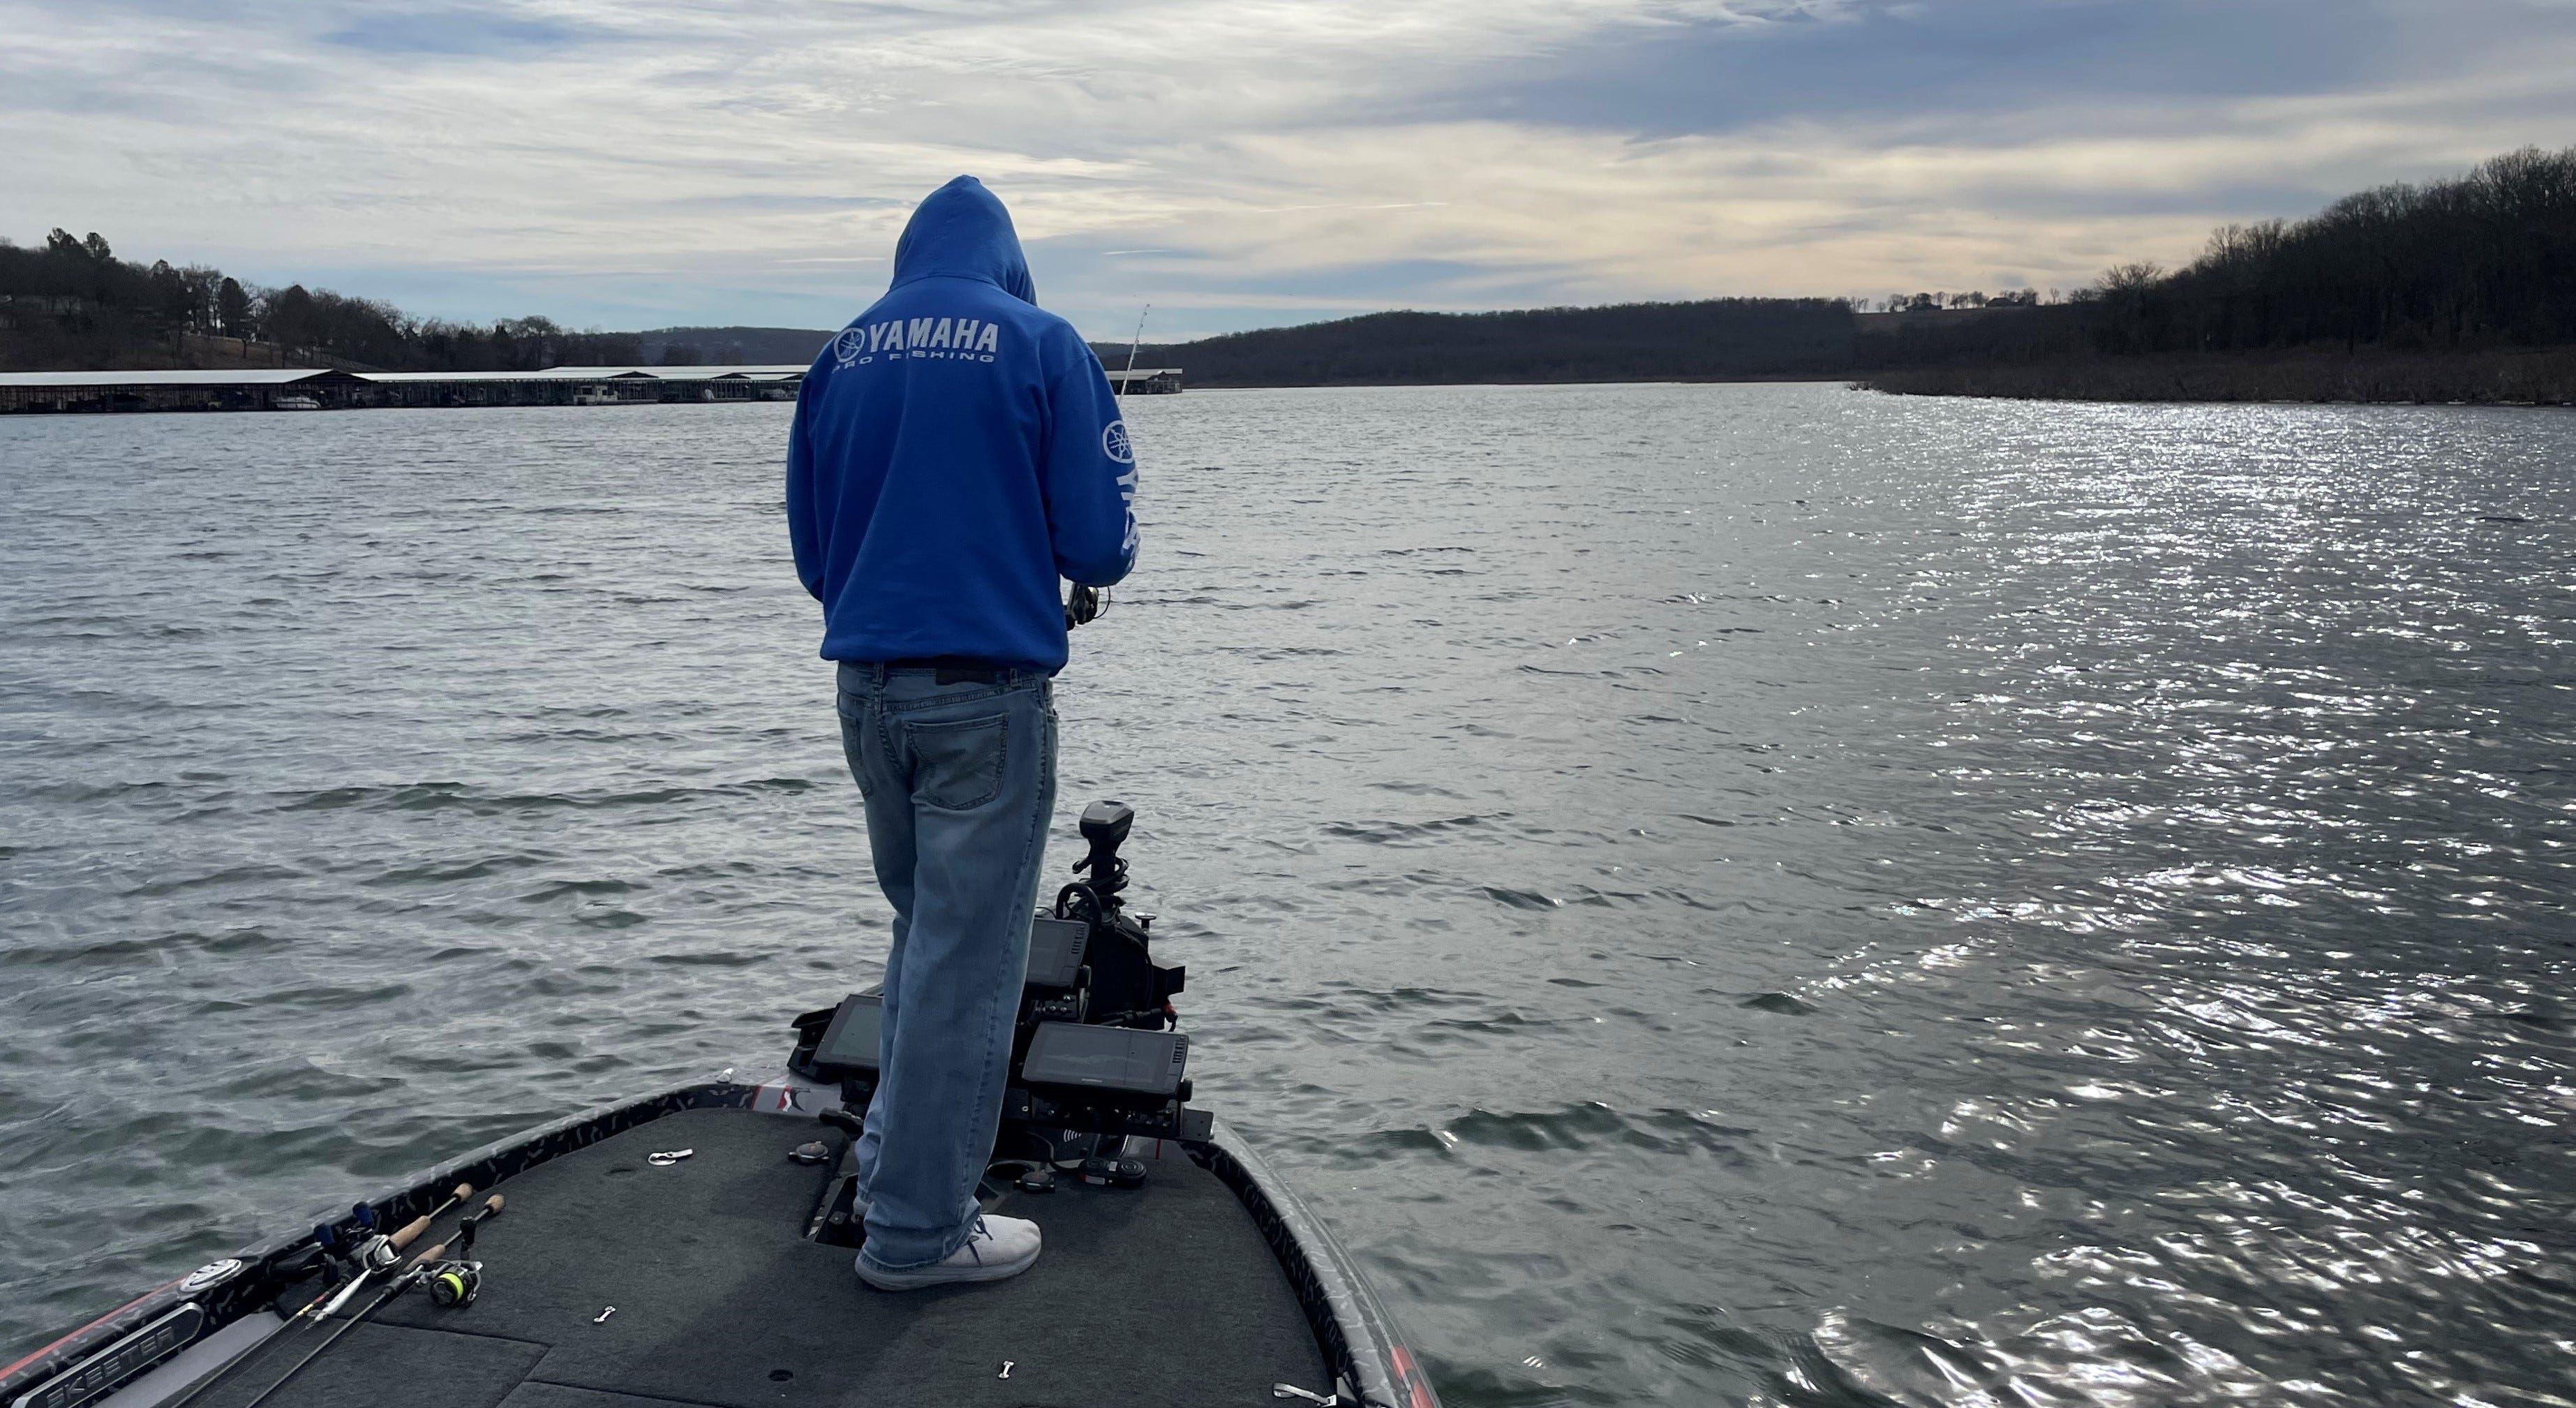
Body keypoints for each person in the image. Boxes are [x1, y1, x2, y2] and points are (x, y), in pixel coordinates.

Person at [784, 175, 1139, 1291]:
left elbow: (813, 557)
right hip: (983, 699)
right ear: (1008, 257)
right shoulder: (1043, 342)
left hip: (866, 694)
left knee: (923, 939)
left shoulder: (841, 357)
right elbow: (1104, 540)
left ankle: (893, 1158)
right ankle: (918, 1232)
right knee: (968, 962)